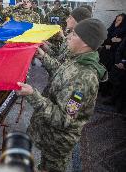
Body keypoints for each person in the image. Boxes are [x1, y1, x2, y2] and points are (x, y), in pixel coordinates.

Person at [16, 18, 107, 172]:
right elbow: (60, 72)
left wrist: (32, 94)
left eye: (75, 35)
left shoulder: (84, 80)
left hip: (58, 142)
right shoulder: (77, 59)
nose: (69, 37)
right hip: (50, 134)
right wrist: (43, 56)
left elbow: (64, 118)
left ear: (85, 42)